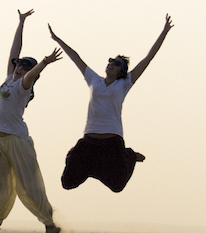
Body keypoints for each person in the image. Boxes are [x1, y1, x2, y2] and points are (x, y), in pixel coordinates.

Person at [48, 14, 173, 192]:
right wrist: (57, 39)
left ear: (121, 71)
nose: (111, 64)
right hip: (89, 139)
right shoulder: (94, 80)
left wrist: (164, 32)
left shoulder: (124, 84)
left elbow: (148, 58)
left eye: (116, 64)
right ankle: (90, 166)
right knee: (67, 183)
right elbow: (76, 57)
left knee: (117, 186)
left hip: (112, 140)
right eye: (110, 61)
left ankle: (128, 155)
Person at [0, 9, 63, 233]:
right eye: (18, 66)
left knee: (29, 185)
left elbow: (32, 74)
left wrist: (44, 63)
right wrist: (21, 23)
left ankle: (50, 225)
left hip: (18, 141)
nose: (18, 69)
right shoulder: (9, 78)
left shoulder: (23, 87)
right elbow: (14, 51)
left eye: (23, 68)